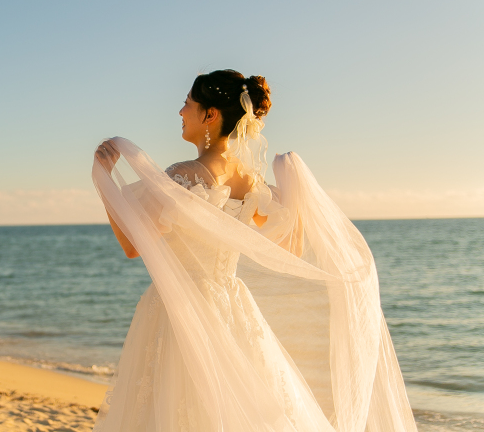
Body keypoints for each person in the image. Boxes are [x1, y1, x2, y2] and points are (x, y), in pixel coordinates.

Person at [91, 70, 417, 432]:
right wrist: (293, 191)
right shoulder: (250, 181)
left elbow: (132, 246)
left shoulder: (182, 176)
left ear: (210, 115)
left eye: (187, 104)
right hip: (232, 307)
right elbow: (289, 245)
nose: (180, 112)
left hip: (179, 308)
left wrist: (103, 179)